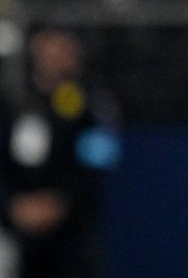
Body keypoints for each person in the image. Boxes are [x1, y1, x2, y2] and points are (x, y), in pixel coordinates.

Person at [0, 28, 122, 278]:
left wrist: (60, 204)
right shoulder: (13, 102)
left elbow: (98, 163)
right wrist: (13, 205)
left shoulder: (91, 104)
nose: (54, 57)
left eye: (62, 50)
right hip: (20, 230)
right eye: (49, 49)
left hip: (72, 233)